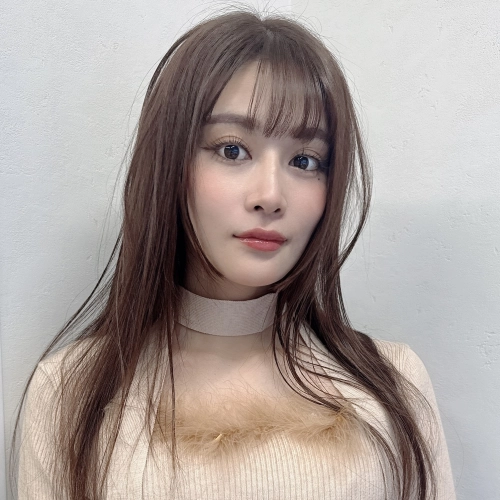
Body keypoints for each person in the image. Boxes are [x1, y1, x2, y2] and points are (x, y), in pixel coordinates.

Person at [12, 7, 456, 500]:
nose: (271, 195)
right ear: (169, 163)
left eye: (305, 160)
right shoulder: (70, 395)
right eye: (232, 150)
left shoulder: (392, 387)